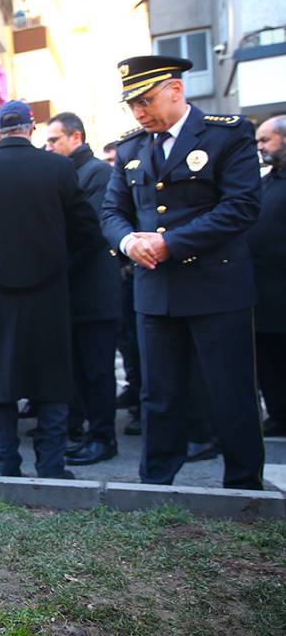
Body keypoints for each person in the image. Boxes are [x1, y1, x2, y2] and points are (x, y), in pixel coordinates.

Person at [101, 55, 264, 491]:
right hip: (155, 290)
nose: (138, 113)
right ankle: (155, 483)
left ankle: (245, 487)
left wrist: (171, 242)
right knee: (159, 395)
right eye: (131, 105)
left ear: (176, 90)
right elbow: (112, 211)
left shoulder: (226, 133)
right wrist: (128, 241)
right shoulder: (133, 147)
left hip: (216, 286)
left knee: (229, 391)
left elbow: (242, 207)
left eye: (145, 101)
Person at [0, 101, 101, 478]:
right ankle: (51, 465)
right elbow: (87, 231)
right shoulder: (59, 168)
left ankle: (6, 463)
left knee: (0, 383)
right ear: (31, 127)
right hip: (48, 293)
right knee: (52, 381)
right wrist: (60, 265)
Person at [43, 112, 122, 466]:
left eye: (54, 140)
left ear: (76, 138)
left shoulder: (97, 173)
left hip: (94, 293)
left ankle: (103, 437)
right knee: (75, 368)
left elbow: (89, 234)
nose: (48, 147)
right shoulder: (65, 174)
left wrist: (49, 268)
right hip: (70, 293)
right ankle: (78, 428)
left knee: (97, 370)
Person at [250, 115, 286, 437]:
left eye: (266, 140)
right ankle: (278, 414)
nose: (260, 147)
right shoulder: (266, 181)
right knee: (269, 360)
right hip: (263, 292)